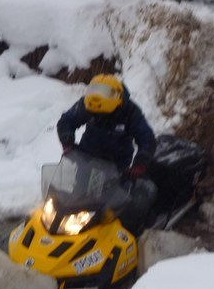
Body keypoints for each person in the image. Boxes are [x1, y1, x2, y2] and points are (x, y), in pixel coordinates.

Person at [56, 74, 157, 235]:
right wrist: (67, 141)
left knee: (112, 210)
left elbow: (147, 139)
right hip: (86, 159)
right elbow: (66, 121)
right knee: (73, 201)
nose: (98, 116)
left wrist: (140, 163)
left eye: (102, 113)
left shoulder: (130, 111)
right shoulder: (88, 105)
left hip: (117, 167)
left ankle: (119, 236)